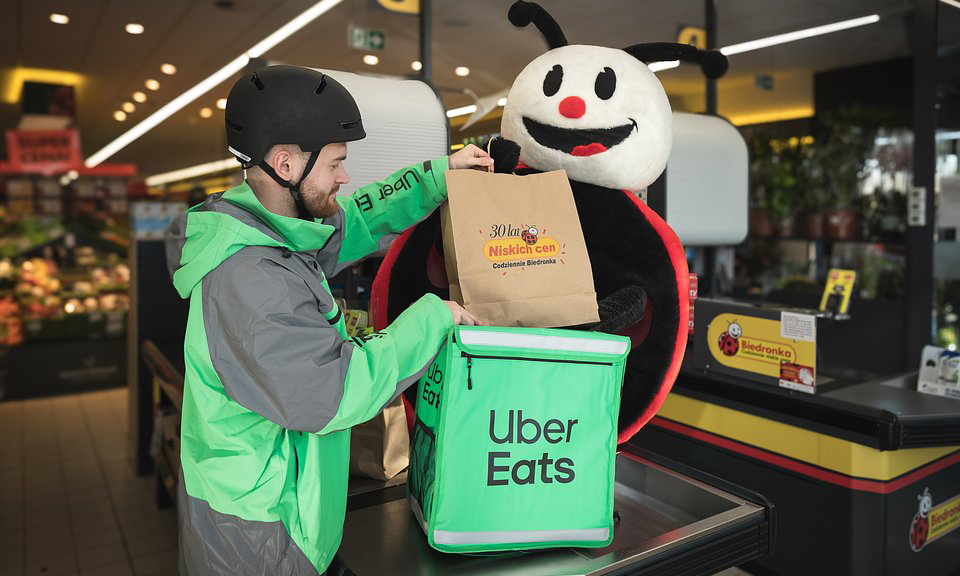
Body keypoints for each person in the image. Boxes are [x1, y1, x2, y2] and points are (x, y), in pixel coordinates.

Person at [166, 64, 491, 575]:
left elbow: (356, 219)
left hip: (271, 511)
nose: (344, 177)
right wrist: (434, 317)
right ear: (286, 164)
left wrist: (437, 176)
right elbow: (334, 392)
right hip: (258, 538)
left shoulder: (272, 232)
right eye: (336, 162)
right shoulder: (252, 279)